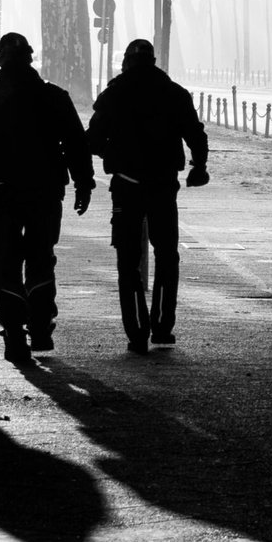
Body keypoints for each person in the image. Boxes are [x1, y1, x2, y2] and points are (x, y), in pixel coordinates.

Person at [0, 32, 95, 366]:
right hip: (44, 192)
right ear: (31, 58)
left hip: (0, 192)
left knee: (5, 260)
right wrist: (84, 184)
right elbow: (76, 143)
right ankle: (41, 327)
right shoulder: (54, 97)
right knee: (41, 256)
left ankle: (14, 335)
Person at [87, 38, 209, 354]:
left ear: (126, 61)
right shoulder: (174, 94)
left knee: (128, 260)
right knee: (167, 254)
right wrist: (199, 166)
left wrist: (108, 152)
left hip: (126, 185)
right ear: (154, 61)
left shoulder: (114, 93)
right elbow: (196, 134)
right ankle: (163, 326)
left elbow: (93, 138)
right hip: (163, 185)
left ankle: (137, 331)